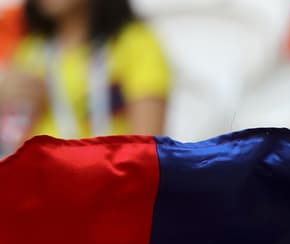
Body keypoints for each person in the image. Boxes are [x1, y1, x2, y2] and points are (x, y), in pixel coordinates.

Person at [0, 0, 168, 155]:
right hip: (42, 175)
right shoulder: (31, 50)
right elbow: (13, 146)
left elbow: (146, 150)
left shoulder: (134, 43)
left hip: (111, 175)